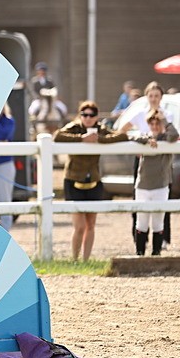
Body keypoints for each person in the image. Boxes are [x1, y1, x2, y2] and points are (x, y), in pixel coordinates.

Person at [54, 101, 128, 260]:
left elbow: (120, 135)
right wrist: (82, 138)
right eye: (84, 115)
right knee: (79, 226)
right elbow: (57, 136)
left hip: (94, 180)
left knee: (91, 225)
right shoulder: (74, 127)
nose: (88, 118)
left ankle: (86, 260)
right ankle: (74, 259)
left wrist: (99, 139)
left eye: (91, 115)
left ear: (97, 117)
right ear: (80, 116)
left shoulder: (100, 129)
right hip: (73, 180)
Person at [115, 80, 177, 249]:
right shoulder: (139, 113)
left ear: (161, 97)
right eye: (151, 95)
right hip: (143, 158)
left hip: (162, 160)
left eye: (157, 96)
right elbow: (122, 130)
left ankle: (163, 238)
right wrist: (137, 141)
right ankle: (140, 239)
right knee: (140, 198)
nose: (154, 99)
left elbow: (172, 135)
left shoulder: (167, 115)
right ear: (147, 97)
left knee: (163, 198)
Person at [129, 109, 178, 255]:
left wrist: (166, 122)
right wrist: (147, 141)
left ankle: (156, 253)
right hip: (143, 185)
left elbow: (175, 136)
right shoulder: (144, 137)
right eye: (152, 123)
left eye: (158, 123)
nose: (155, 126)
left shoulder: (166, 139)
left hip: (161, 185)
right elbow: (133, 137)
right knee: (141, 222)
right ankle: (140, 253)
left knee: (158, 222)